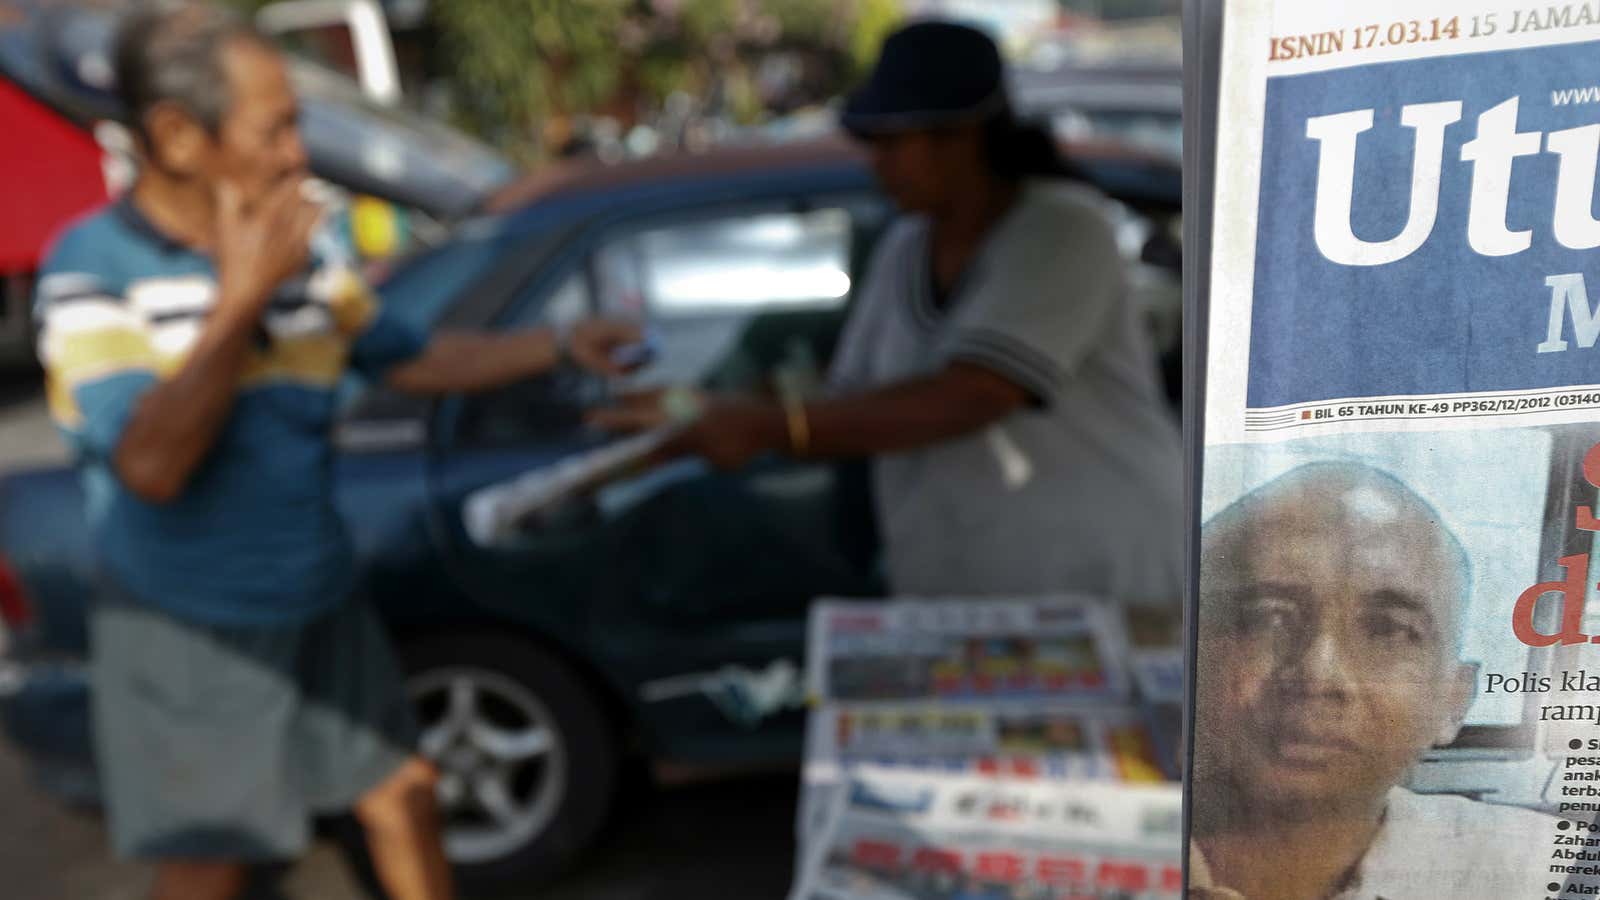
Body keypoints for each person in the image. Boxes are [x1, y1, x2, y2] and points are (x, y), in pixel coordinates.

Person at [32, 6, 639, 900]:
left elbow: (413, 356)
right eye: (275, 127)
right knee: (211, 865)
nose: (296, 153)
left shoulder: (309, 253)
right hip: (190, 631)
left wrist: (559, 345)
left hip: (318, 599)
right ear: (175, 136)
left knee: (405, 792)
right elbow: (150, 467)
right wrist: (238, 305)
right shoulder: (92, 271)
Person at [592, 21, 1183, 605]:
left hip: (1102, 578)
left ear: (962, 137)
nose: (877, 164)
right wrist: (698, 410)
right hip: (968, 582)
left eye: (893, 143)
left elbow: (975, 394)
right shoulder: (908, 243)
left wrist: (764, 426)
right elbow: (850, 390)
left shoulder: (1062, 228)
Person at [1190, 462, 1552, 900]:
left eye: (1389, 630)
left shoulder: (1539, 870)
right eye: (1267, 617)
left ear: (1455, 699)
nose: (1318, 675)